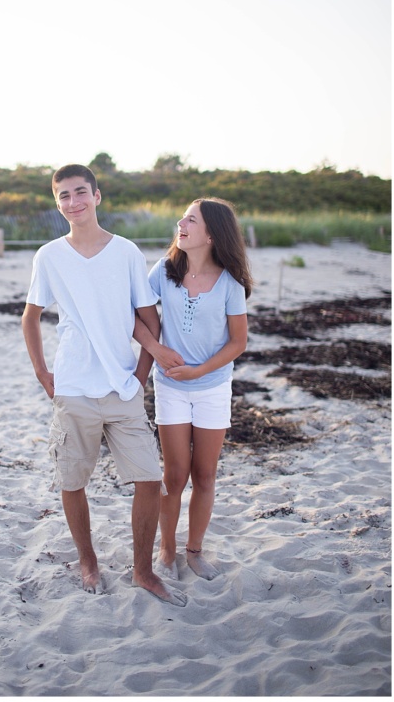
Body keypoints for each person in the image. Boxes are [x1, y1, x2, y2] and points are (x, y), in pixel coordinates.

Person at [22, 164, 185, 606]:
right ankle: (88, 560)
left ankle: (143, 570)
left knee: (149, 479)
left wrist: (140, 376)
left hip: (123, 388)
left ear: (97, 196)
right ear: (57, 203)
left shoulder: (126, 252)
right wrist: (43, 373)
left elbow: (149, 319)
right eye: (63, 195)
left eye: (80, 192)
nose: (73, 202)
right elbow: (30, 317)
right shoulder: (49, 256)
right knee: (72, 480)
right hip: (73, 386)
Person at [131, 198, 251, 581]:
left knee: (204, 476)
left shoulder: (230, 283)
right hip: (170, 387)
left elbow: (238, 342)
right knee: (174, 476)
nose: (180, 224)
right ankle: (167, 549)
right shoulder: (164, 272)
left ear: (212, 234)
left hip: (213, 388)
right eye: (182, 218)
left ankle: (194, 551)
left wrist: (199, 371)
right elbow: (132, 314)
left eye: (191, 220)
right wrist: (156, 349)